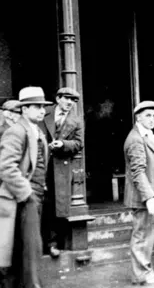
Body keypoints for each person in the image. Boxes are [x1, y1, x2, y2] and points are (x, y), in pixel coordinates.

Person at [0, 86, 52, 288]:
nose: (41, 110)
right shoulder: (17, 131)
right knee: (30, 248)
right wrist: (27, 193)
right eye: (36, 106)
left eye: (43, 106)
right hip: (21, 199)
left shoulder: (36, 131)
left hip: (35, 196)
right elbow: (5, 166)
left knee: (29, 248)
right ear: (24, 109)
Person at [123, 100, 154, 285]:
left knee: (147, 235)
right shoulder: (136, 139)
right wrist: (149, 197)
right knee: (141, 235)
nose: (152, 119)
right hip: (143, 197)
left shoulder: (147, 136)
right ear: (138, 116)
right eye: (148, 115)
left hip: (150, 195)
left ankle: (146, 271)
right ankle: (141, 274)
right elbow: (137, 171)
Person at [40, 87, 84, 258]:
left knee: (56, 206)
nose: (70, 103)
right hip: (40, 163)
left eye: (73, 101)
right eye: (67, 99)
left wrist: (63, 144)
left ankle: (53, 244)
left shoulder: (77, 120)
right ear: (58, 98)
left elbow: (79, 144)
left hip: (60, 167)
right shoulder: (44, 112)